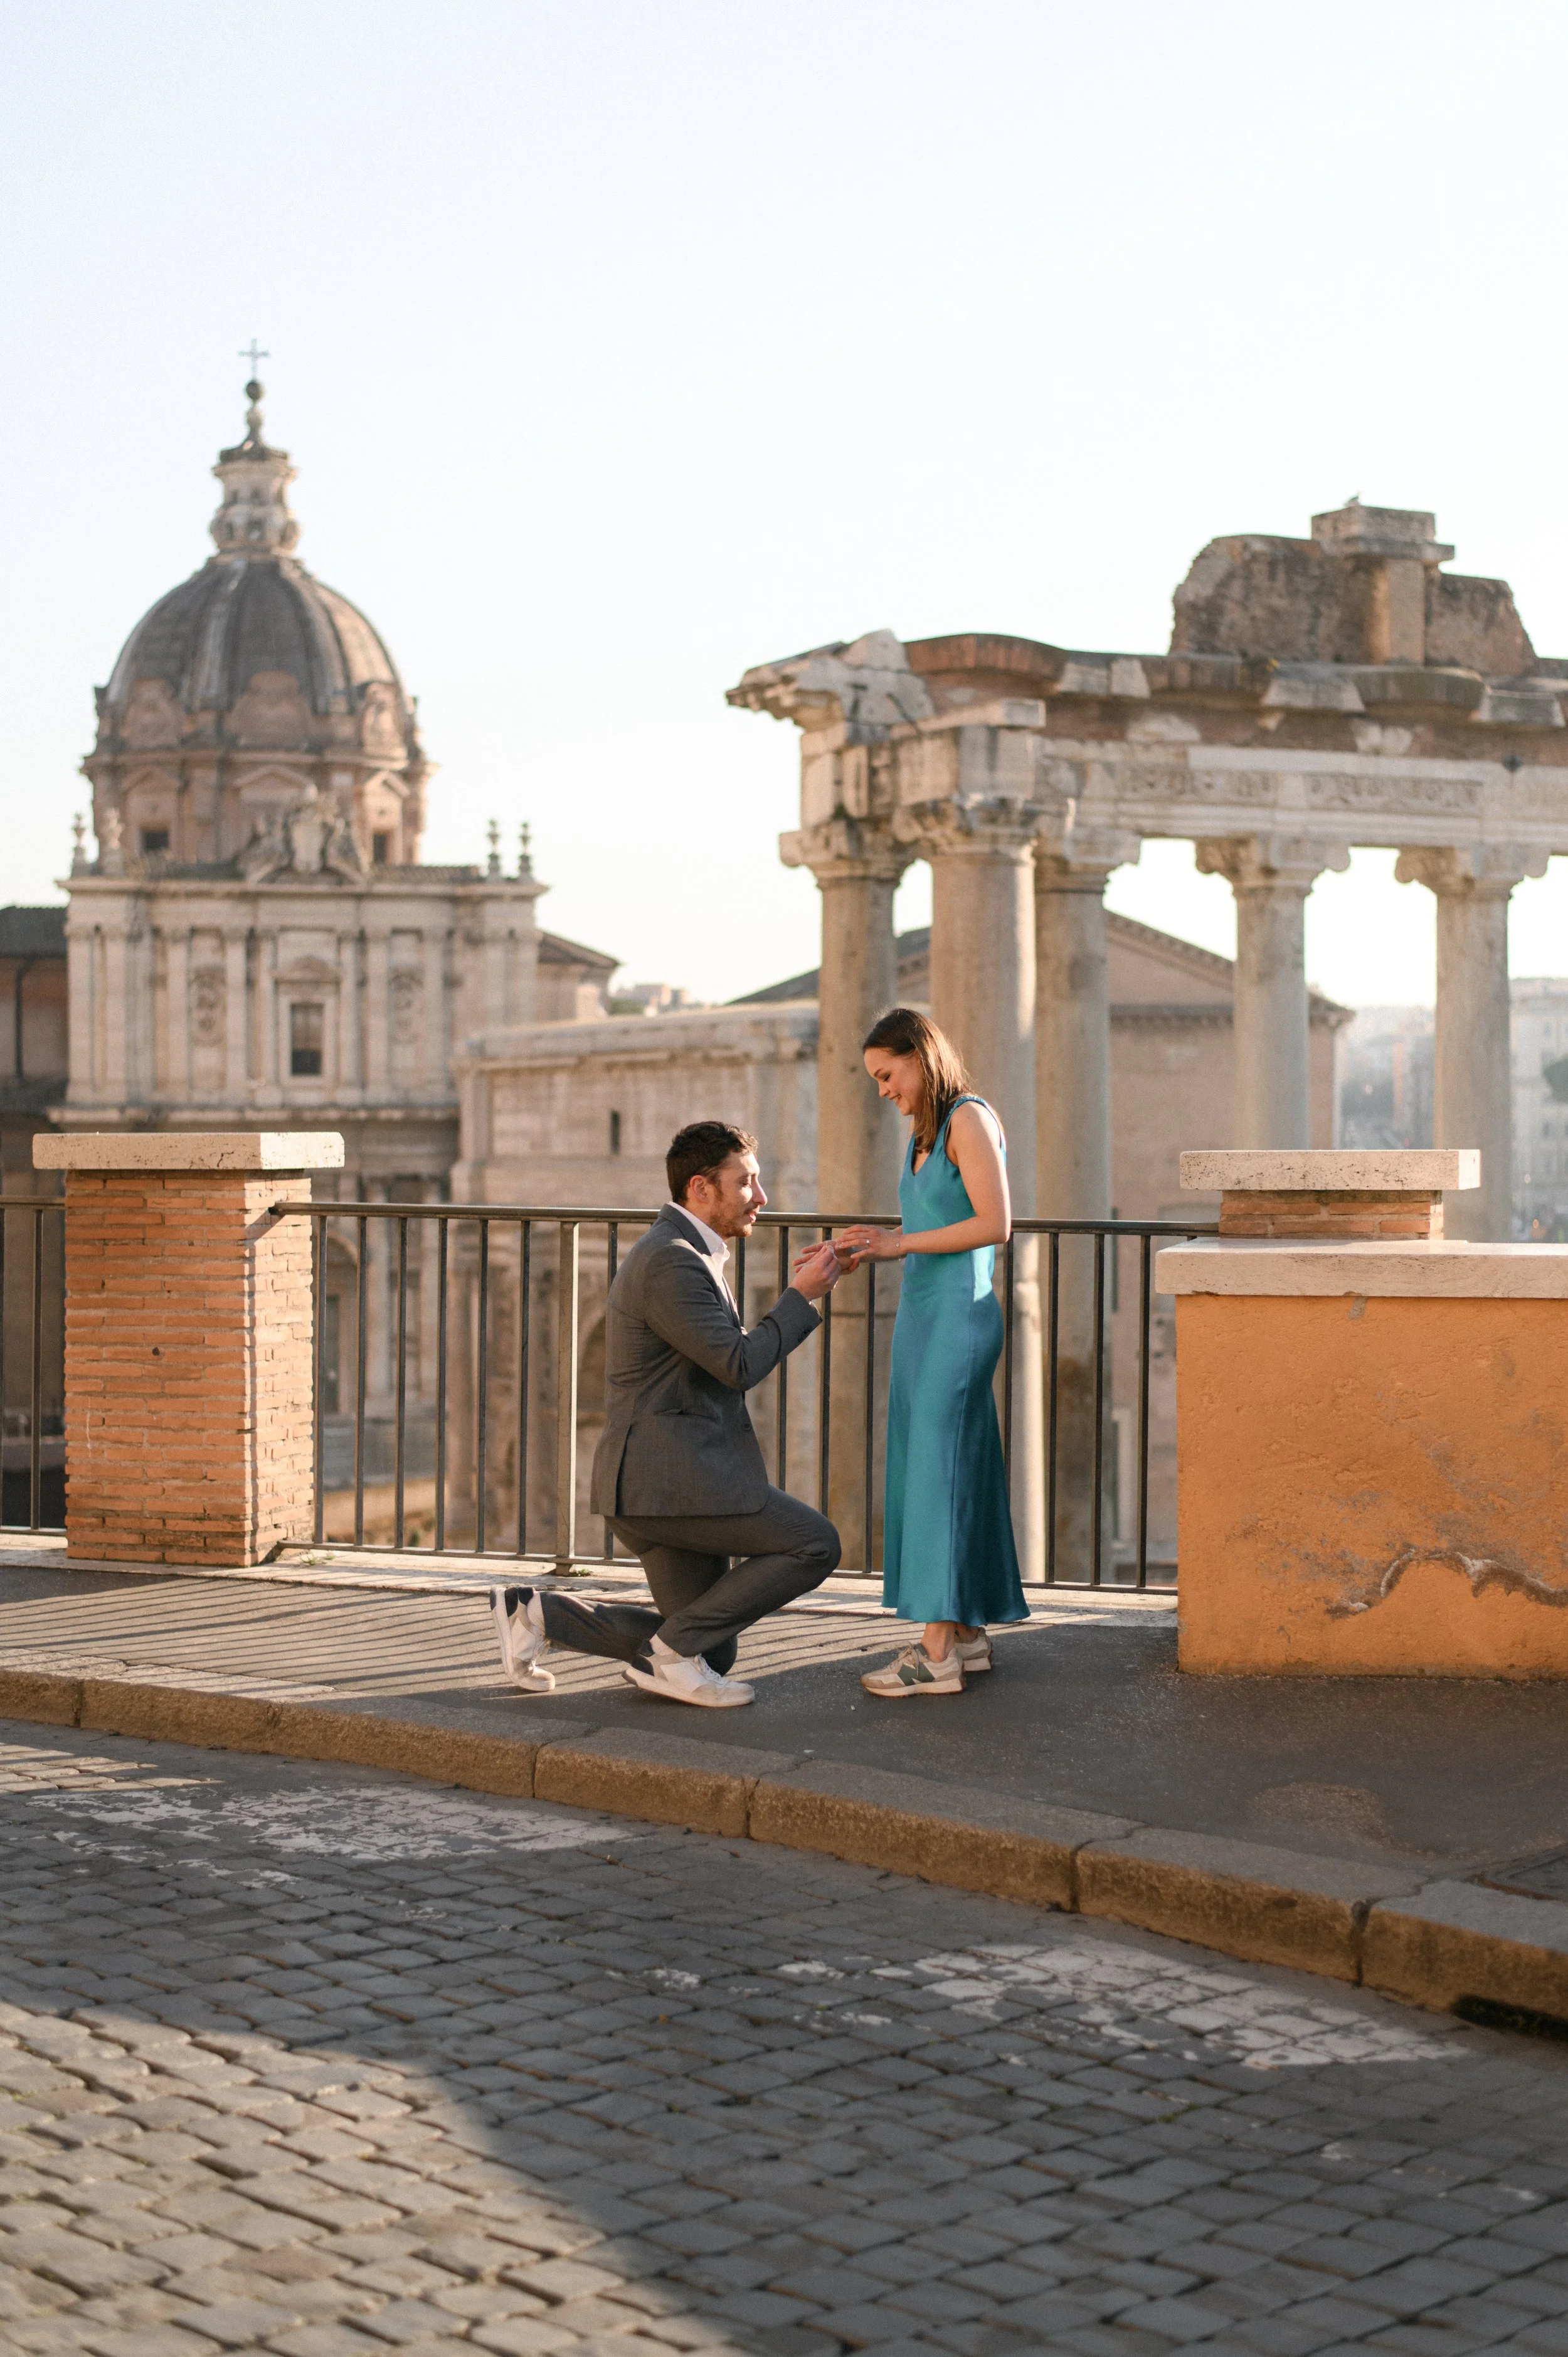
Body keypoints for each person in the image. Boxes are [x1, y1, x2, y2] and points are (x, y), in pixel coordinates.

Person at [489, 1120, 844, 1708]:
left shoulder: (683, 1252)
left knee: (713, 1650)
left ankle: (537, 1614)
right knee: (815, 1543)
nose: (761, 1196)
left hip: (665, 1480)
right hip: (667, 1485)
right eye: (746, 1182)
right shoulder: (671, 1262)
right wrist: (800, 1296)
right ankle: (667, 1656)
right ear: (701, 1188)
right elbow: (738, 1364)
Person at [834, 1008, 1027, 1696]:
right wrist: (876, 1238)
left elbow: (995, 1224)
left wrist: (899, 1244)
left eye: (888, 1074)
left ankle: (936, 1652)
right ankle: (968, 1632)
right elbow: (939, 1218)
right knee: (943, 1468)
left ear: (920, 1056)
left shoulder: (968, 1119)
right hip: (922, 1317)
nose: (883, 1089)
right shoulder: (924, 1131)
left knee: (940, 1472)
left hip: (959, 1319)